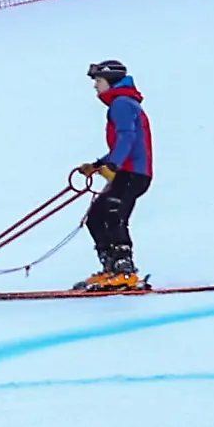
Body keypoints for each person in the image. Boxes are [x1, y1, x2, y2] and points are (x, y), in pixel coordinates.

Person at [74, 60, 153, 290]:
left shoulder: (121, 104)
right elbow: (124, 142)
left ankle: (124, 271)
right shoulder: (123, 103)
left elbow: (127, 139)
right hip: (128, 171)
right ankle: (111, 268)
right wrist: (98, 165)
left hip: (132, 173)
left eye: (98, 81)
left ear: (111, 81)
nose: (95, 86)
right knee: (97, 216)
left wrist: (114, 165)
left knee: (113, 214)